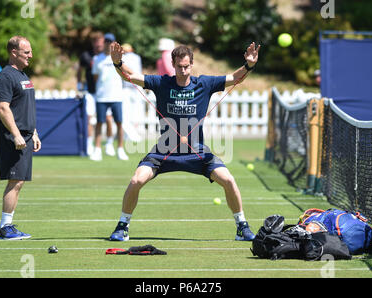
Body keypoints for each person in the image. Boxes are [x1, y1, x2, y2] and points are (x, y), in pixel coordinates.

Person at [108, 41, 261, 241]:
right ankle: (122, 227)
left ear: (192, 64)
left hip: (197, 152)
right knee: (136, 180)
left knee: (229, 180)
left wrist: (249, 65)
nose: (183, 70)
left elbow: (234, 78)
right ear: (173, 64)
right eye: (179, 66)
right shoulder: (162, 83)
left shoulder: (204, 84)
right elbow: (131, 76)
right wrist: (118, 63)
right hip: (164, 151)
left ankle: (242, 227)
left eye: (186, 66)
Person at [0, 36, 41, 240]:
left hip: (26, 136)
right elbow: (3, 108)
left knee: (18, 181)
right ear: (14, 52)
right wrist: (16, 134)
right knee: (15, 181)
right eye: (26, 52)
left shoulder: (23, 75)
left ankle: (7, 225)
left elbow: (24, 108)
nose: (30, 55)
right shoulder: (5, 77)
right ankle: (5, 228)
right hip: (14, 138)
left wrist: (34, 132)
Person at [90, 33, 128, 161]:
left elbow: (125, 74)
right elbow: (95, 77)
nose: (108, 44)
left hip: (116, 96)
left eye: (110, 42)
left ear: (114, 43)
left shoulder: (119, 58)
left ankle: (121, 149)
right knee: (100, 123)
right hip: (101, 97)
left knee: (119, 123)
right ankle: (97, 149)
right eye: (106, 41)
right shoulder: (97, 59)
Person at [77, 31, 106, 156]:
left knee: (107, 119)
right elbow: (80, 70)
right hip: (90, 91)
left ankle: (109, 144)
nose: (98, 45)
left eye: (100, 42)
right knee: (89, 118)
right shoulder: (86, 56)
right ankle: (89, 144)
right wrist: (79, 85)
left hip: (104, 93)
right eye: (96, 42)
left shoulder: (107, 56)